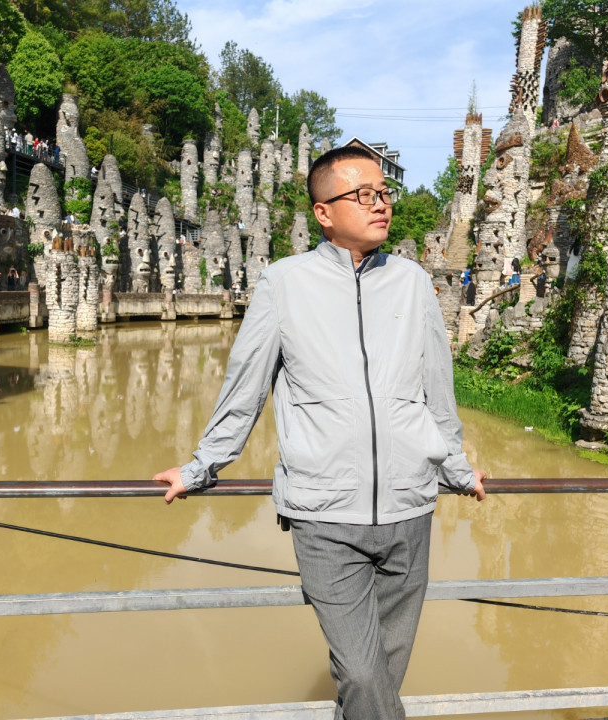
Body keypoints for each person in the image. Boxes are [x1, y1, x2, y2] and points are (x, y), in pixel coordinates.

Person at [153, 146, 486, 720]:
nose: (381, 205)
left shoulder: (412, 282)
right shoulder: (284, 284)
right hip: (325, 516)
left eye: (384, 193)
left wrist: (455, 469)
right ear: (324, 212)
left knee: (379, 680)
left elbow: (437, 393)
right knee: (362, 674)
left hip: (409, 511)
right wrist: (203, 467)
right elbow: (245, 387)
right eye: (364, 195)